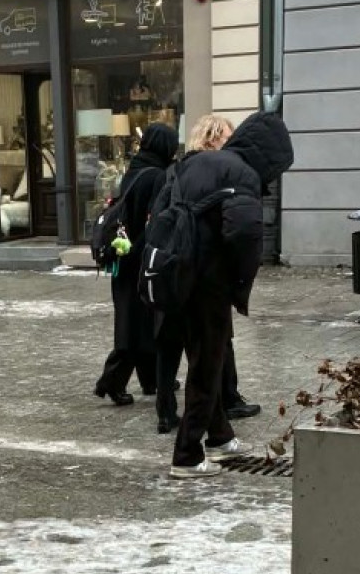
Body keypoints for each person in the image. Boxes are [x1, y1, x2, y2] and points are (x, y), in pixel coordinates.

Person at [153, 111, 293, 478]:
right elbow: (244, 233)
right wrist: (239, 284)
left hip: (178, 276)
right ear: (266, 154)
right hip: (207, 283)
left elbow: (163, 211)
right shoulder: (241, 172)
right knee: (207, 364)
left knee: (205, 357)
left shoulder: (194, 164)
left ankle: (219, 437)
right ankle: (186, 455)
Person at [93, 123, 178, 407]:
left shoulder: (136, 169)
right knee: (134, 325)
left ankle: (151, 378)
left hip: (123, 255)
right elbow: (152, 222)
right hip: (137, 257)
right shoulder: (156, 175)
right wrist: (148, 254)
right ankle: (111, 382)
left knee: (140, 320)